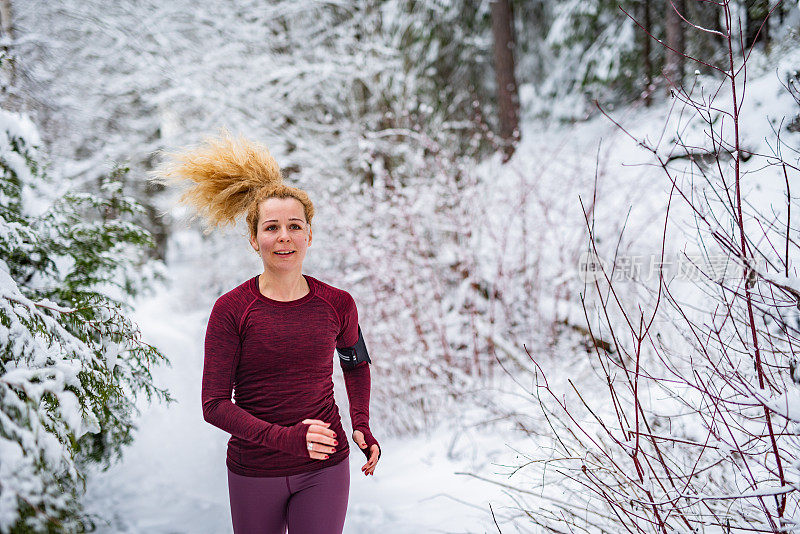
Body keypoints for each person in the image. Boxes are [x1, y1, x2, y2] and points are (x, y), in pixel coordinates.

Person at [152, 132, 381, 534]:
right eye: (271, 227)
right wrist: (288, 439)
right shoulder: (232, 310)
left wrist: (360, 422)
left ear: (309, 235)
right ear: (254, 239)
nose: (284, 237)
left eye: (295, 226)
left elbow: (355, 364)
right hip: (254, 471)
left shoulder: (338, 304)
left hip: (325, 464)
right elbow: (214, 404)